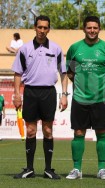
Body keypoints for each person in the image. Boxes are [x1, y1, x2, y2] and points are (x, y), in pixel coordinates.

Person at [12, 15, 68, 179]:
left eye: (45, 27)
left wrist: (64, 95)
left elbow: (63, 74)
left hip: (48, 93)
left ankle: (48, 169)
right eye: (39, 27)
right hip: (30, 92)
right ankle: (29, 169)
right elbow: (17, 73)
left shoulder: (56, 49)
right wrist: (16, 94)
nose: (42, 30)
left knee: (48, 130)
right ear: (35, 28)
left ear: (48, 29)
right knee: (30, 131)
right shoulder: (25, 49)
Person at [65, 16, 105, 180]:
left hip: (100, 99)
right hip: (80, 98)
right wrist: (80, 85)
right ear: (84, 29)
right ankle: (76, 169)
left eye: (95, 28)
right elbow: (70, 71)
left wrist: (103, 85)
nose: (92, 30)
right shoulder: (74, 48)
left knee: (101, 132)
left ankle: (102, 169)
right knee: (78, 133)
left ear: (99, 29)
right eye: (89, 28)